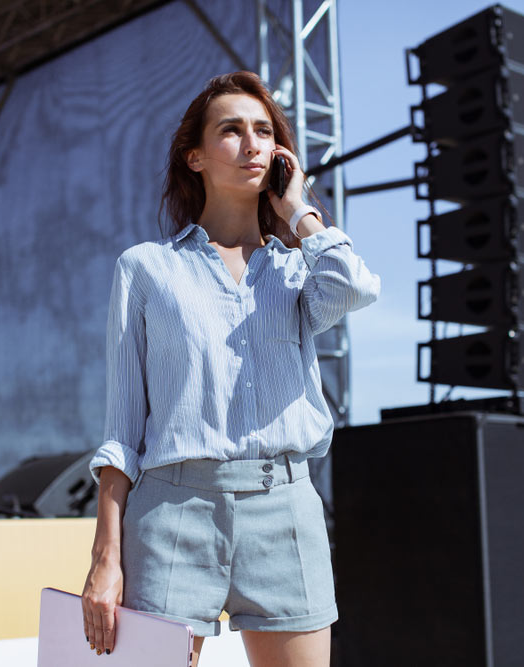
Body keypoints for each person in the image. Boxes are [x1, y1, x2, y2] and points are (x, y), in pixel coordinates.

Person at [80, 70, 380, 667]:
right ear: (194, 156)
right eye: (231, 130)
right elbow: (123, 431)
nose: (252, 145)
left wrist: (299, 209)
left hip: (286, 511)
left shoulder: (298, 270)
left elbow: (355, 287)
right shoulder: (146, 269)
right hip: (172, 515)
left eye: (265, 132)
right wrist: (105, 558)